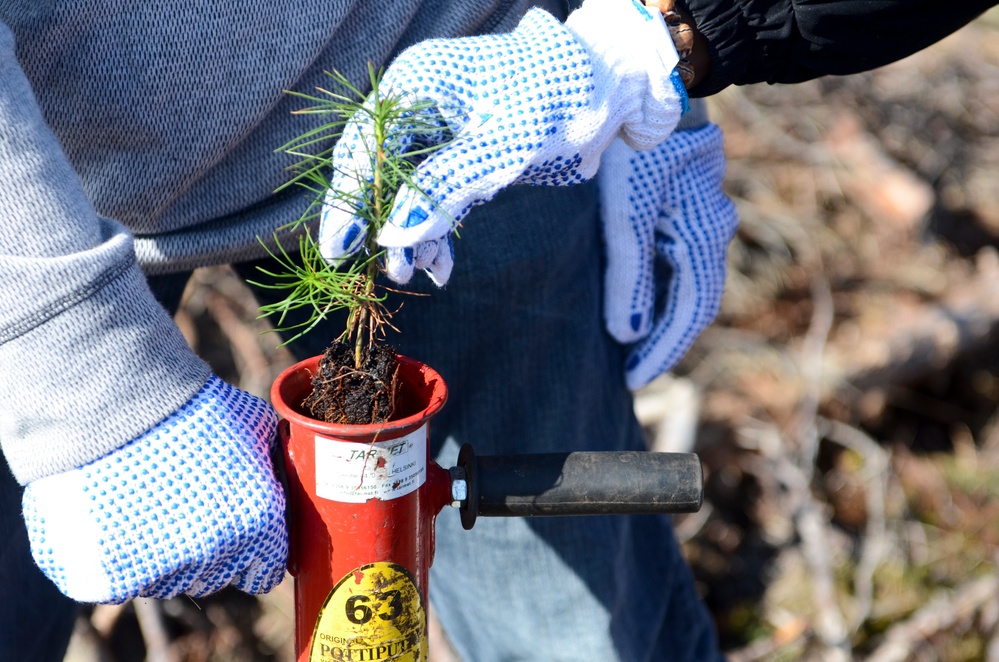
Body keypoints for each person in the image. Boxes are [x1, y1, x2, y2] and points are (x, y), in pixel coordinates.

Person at [0, 1, 994, 660]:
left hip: (460, 100)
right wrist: (66, 349)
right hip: (33, 202)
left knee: (583, 631)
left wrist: (648, 42)